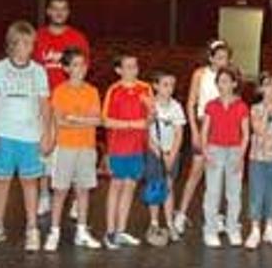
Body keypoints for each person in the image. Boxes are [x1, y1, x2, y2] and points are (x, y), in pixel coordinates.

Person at [0, 21, 52, 252]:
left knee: (30, 182)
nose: (23, 47)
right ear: (10, 44)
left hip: (30, 136)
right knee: (1, 181)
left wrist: (46, 134)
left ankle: (32, 228)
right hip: (3, 135)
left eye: (28, 43)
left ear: (33, 46)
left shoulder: (39, 71)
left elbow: (45, 105)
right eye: (18, 42)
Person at [33, 0, 90, 217]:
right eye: (54, 9)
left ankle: (77, 199)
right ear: (48, 11)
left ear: (68, 12)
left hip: (71, 102)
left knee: (74, 151)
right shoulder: (38, 36)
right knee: (45, 152)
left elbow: (83, 68)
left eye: (63, 9)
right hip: (44, 102)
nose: (58, 13)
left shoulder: (77, 38)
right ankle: (44, 195)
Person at [43, 48, 102, 252]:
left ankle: (82, 231)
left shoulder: (92, 91)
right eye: (75, 65)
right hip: (66, 147)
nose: (80, 69)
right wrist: (83, 121)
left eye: (83, 64)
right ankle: (54, 231)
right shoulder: (60, 91)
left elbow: (97, 120)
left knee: (83, 191)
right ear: (66, 68)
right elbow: (60, 121)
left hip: (87, 147)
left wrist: (75, 119)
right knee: (60, 191)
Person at [174, 40, 232, 235]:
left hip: (222, 126)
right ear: (211, 57)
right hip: (202, 123)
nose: (224, 61)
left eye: (226, 58)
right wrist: (195, 131)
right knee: (196, 172)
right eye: (220, 57)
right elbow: (191, 104)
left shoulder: (230, 77)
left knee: (218, 173)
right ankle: (181, 214)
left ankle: (216, 216)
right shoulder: (200, 74)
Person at [101, 54, 152, 249]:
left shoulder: (145, 88)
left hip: (137, 147)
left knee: (130, 187)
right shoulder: (114, 90)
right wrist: (131, 124)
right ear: (119, 70)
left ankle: (121, 231)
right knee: (116, 186)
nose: (132, 70)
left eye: (135, 66)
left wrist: (150, 109)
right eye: (128, 67)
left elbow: (151, 118)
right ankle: (109, 232)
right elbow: (105, 120)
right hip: (117, 147)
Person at [201, 67, 250, 248]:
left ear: (235, 84)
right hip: (215, 150)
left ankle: (232, 228)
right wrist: (205, 151)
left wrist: (241, 156)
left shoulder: (242, 106)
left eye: (228, 81)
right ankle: (210, 230)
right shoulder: (211, 106)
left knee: (234, 193)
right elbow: (204, 130)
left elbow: (245, 133)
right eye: (221, 81)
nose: (224, 85)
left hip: (235, 151)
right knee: (213, 192)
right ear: (217, 84)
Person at [245, 72, 272, 250]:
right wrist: (268, 114)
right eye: (268, 85)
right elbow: (258, 128)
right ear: (261, 88)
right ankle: (255, 229)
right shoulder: (255, 108)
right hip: (258, 157)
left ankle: (270, 228)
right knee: (257, 192)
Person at [144, 71, 186, 244]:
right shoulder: (150, 105)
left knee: (168, 187)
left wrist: (172, 154)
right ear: (155, 86)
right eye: (165, 85)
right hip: (154, 153)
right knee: (155, 187)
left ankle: (169, 223)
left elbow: (179, 133)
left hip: (171, 153)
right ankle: (154, 223)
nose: (169, 89)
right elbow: (146, 133)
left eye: (172, 85)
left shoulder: (176, 106)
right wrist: (159, 153)